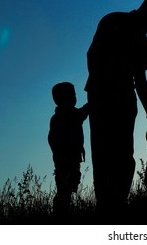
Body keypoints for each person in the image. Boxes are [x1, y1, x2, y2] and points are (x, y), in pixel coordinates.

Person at [84, 0, 147, 216]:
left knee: (106, 155)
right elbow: (139, 78)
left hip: (105, 96)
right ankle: (113, 207)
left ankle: (111, 206)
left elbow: (91, 56)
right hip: (113, 97)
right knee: (116, 155)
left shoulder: (112, 20)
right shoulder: (125, 28)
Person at [48, 82, 89, 218]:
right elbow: (83, 113)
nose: (74, 98)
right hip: (66, 160)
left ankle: (61, 212)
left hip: (66, 160)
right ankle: (60, 214)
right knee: (65, 189)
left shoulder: (58, 117)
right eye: (72, 95)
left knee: (66, 188)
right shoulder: (67, 115)